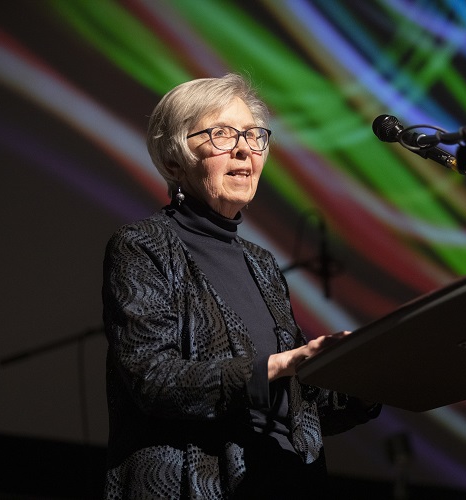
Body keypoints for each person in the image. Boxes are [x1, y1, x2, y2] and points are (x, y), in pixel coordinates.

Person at [102, 74, 381, 498]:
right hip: (195, 485)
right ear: (174, 161)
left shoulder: (262, 263)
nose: (243, 148)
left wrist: (370, 379)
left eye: (254, 136)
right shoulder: (142, 246)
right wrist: (275, 365)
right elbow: (153, 379)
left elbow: (299, 406)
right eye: (221, 134)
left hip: (285, 479)